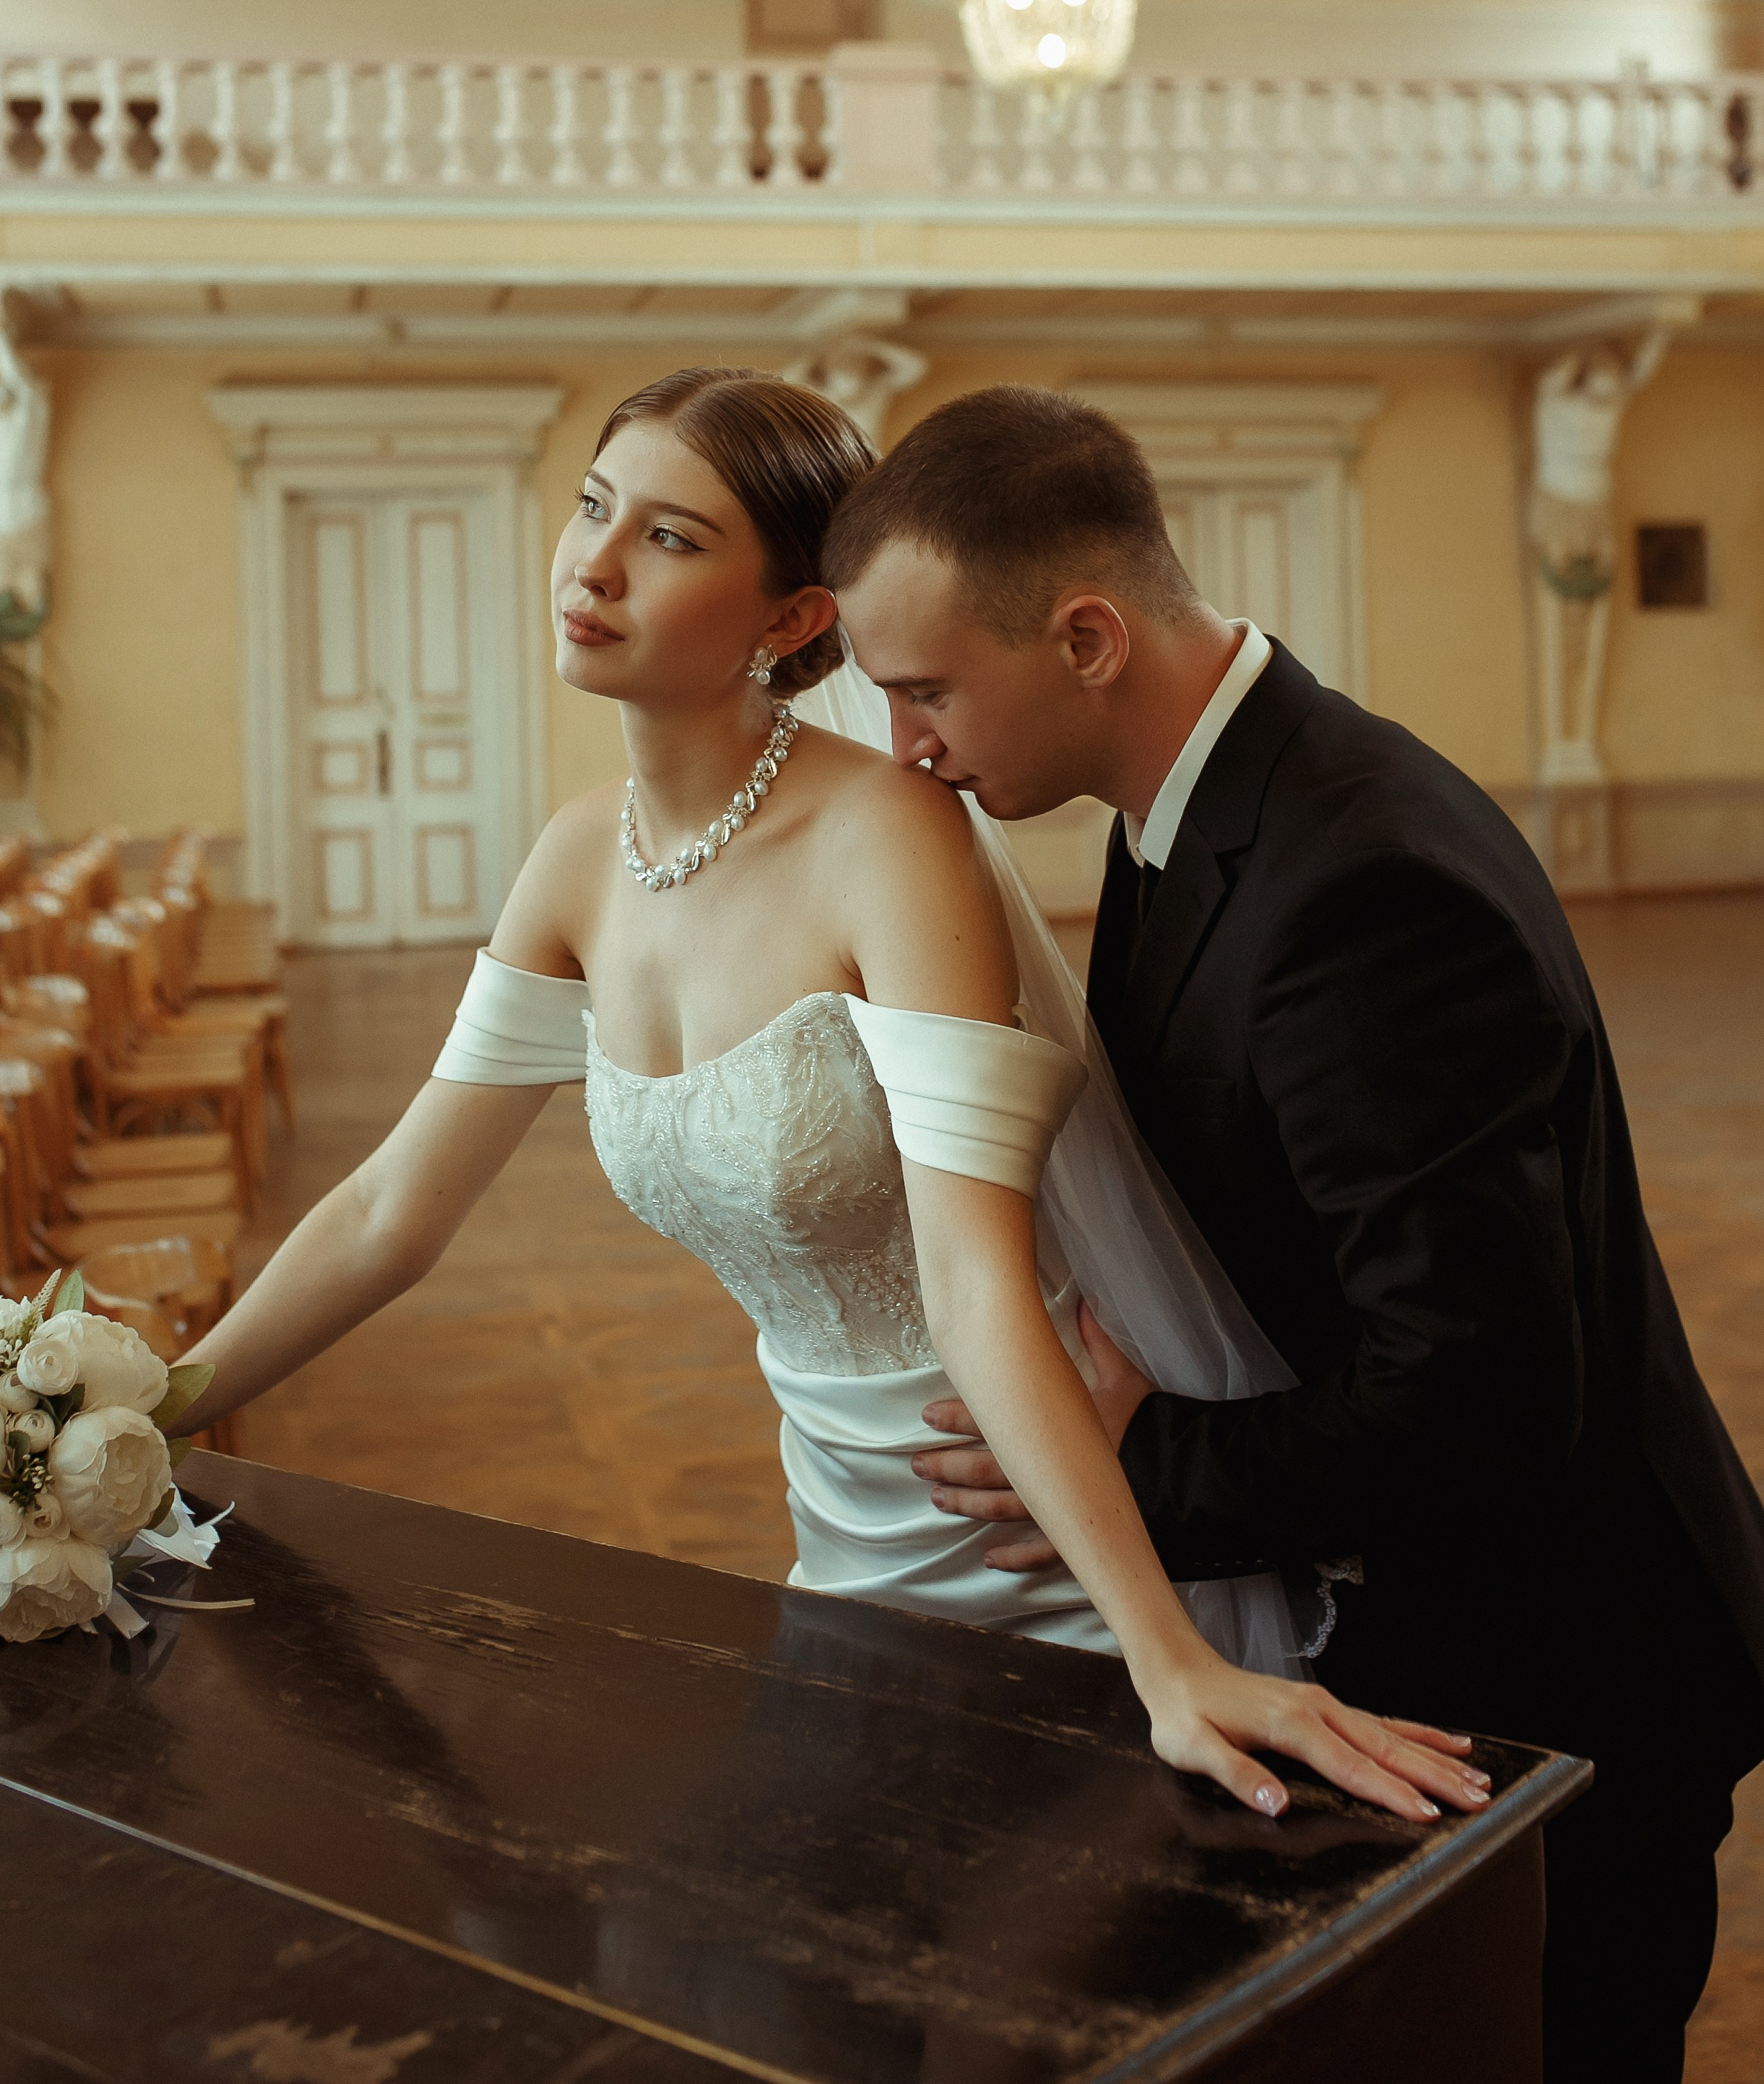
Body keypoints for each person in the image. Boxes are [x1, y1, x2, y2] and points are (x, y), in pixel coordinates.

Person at [176, 366, 1479, 1830]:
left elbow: (973, 1272)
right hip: (841, 1519)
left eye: (672, 540)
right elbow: (391, 1208)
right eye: (595, 509)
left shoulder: (889, 839)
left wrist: (1164, 1654)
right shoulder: (574, 863)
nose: (594, 565)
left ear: (797, 620)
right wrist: (137, 1414)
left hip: (1032, 1516)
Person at [826, 383, 1764, 2084]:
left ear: (1090, 634)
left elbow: (1479, 1395)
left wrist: (1131, 1469)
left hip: (1565, 1676)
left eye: (924, 688)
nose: (908, 748)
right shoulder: (1196, 810)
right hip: (1461, 1625)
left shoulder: (1357, 883)